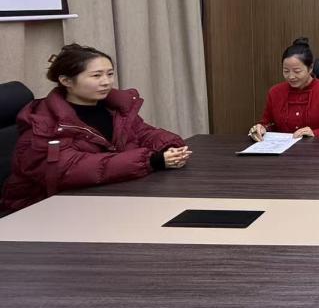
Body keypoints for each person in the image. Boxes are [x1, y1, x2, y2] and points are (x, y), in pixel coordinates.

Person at [2, 43, 190, 212]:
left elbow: (143, 132)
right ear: (66, 81)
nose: (106, 82)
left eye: (110, 74)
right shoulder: (43, 122)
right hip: (42, 208)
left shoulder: (112, 107)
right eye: (96, 76)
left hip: (102, 196)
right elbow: (68, 169)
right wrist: (150, 161)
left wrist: (169, 148)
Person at [249, 37, 319, 140]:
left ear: (310, 68)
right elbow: (268, 123)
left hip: (318, 147)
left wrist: (316, 133)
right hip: (283, 148)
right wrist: (262, 128)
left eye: (297, 71)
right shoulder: (275, 92)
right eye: (286, 71)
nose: (291, 76)